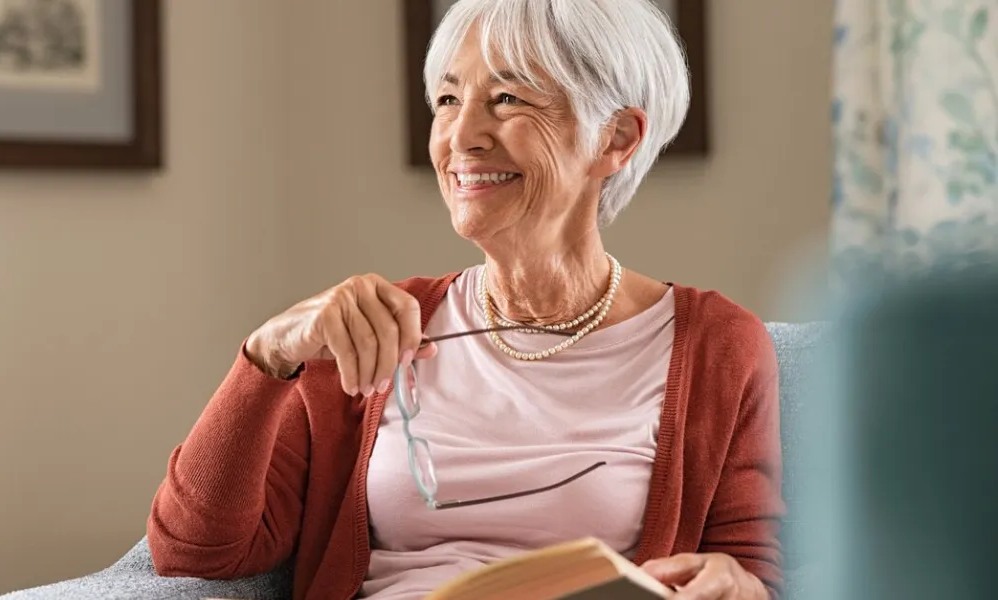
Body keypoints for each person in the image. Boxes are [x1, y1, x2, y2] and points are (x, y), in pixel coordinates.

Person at [146, 0, 784, 598]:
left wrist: (733, 580)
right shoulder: (371, 329)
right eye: (448, 99)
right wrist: (268, 354)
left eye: (506, 99)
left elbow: (748, 569)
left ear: (615, 138)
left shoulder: (717, 347)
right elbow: (195, 550)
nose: (463, 136)